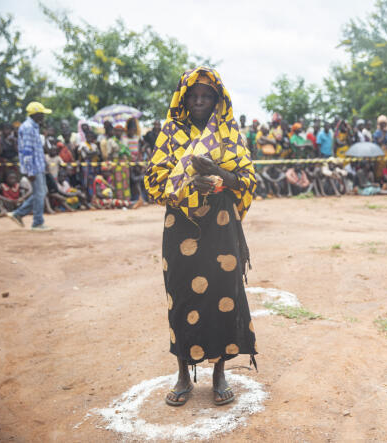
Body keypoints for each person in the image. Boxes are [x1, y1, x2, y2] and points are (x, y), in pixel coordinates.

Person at [144, 67, 257, 408]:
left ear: (218, 99)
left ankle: (219, 372)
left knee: (225, 292)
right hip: (181, 225)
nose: (199, 101)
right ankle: (183, 372)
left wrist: (219, 174)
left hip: (221, 223)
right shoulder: (170, 131)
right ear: (183, 97)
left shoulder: (229, 132)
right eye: (193, 95)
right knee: (180, 295)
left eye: (207, 95)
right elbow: (154, 182)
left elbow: (248, 180)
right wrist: (190, 184)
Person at [7, 102, 53, 230]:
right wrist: (30, 171)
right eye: (42, 113)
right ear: (36, 114)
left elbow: (37, 149)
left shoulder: (34, 127)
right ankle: (37, 222)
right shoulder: (27, 128)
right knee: (39, 193)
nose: (44, 116)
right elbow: (27, 151)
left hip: (38, 165)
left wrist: (44, 164)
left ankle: (18, 214)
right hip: (33, 167)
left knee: (41, 192)